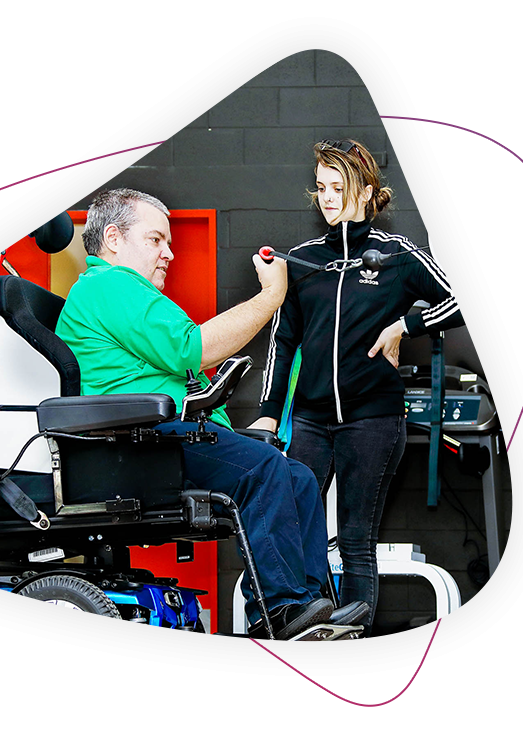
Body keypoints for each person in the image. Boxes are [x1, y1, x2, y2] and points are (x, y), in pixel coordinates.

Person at [55, 188, 368, 640]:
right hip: (137, 442)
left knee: (296, 476)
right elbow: (192, 348)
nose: (169, 252)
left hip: (156, 437)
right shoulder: (111, 285)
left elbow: (184, 365)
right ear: (113, 238)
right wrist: (271, 297)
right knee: (264, 471)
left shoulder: (117, 293)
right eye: (156, 239)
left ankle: (308, 610)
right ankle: (280, 611)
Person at [250, 139, 464, 636]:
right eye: (321, 187)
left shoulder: (397, 255)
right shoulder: (300, 261)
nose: (326, 198)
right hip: (308, 420)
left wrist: (404, 326)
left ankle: (354, 636)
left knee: (354, 538)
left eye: (338, 188)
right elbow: (283, 341)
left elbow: (455, 300)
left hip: (373, 419)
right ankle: (314, 627)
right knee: (295, 527)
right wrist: (267, 410)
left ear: (366, 191)